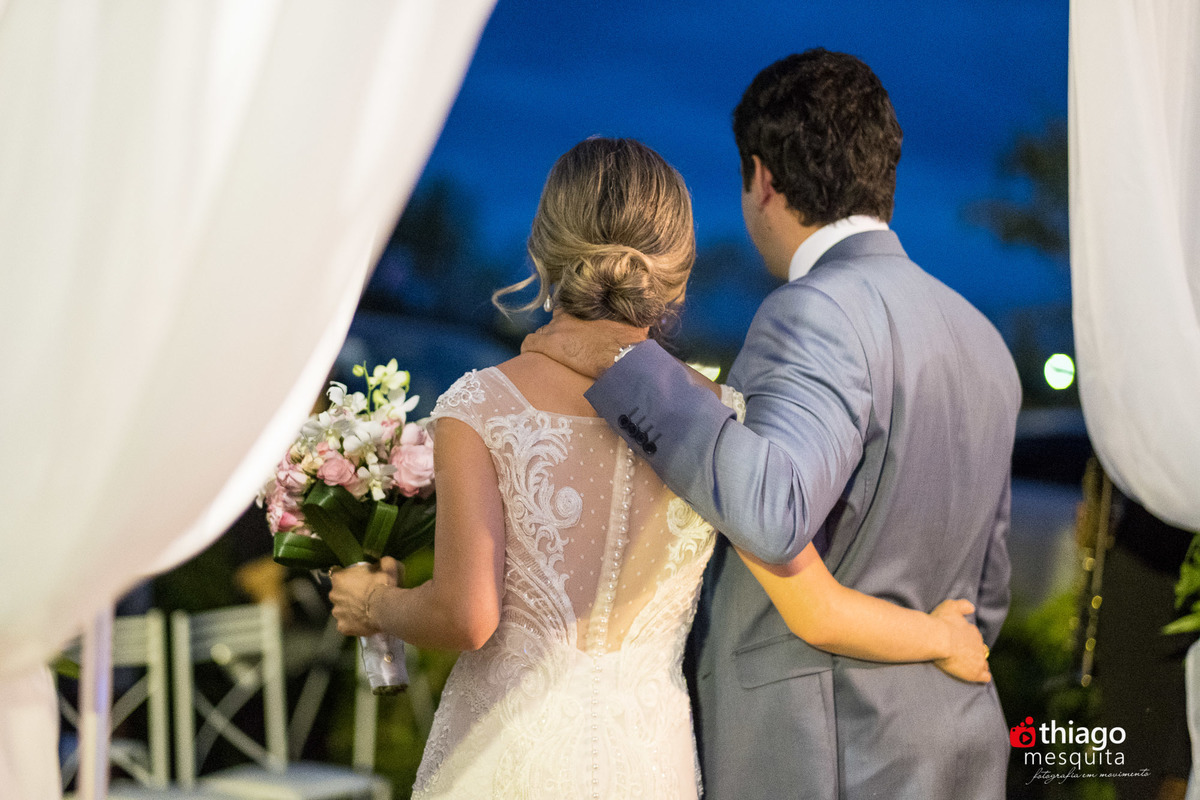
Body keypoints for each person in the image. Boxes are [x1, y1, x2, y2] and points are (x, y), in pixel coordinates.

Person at [330, 137, 991, 799]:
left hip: (505, 758)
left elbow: (467, 617)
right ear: (675, 273)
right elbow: (817, 610)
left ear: (542, 250)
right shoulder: (718, 418)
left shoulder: (482, 405)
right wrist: (940, 636)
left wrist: (374, 603)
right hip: (648, 766)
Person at [523, 52, 1020, 800]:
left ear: (761, 178)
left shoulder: (818, 308)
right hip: (954, 740)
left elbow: (771, 510)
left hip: (831, 753)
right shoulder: (983, 338)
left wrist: (622, 361)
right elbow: (990, 588)